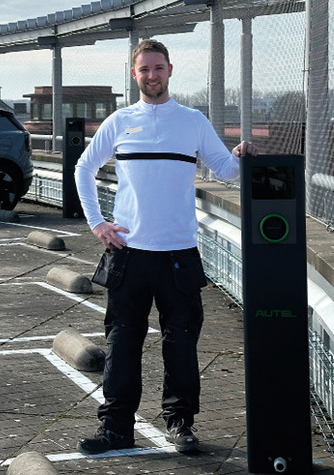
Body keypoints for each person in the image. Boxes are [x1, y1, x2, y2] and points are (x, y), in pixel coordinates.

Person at [74, 38, 256, 456]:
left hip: (178, 253)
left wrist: (241, 155)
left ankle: (180, 424)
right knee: (122, 344)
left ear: (169, 70)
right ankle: (116, 429)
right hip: (128, 253)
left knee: (182, 345)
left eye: (158, 68)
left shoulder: (192, 121)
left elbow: (226, 170)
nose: (152, 75)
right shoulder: (120, 121)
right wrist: (97, 223)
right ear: (134, 74)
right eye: (144, 69)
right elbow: (84, 167)